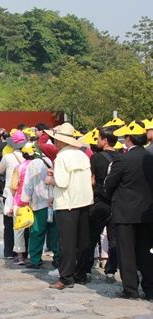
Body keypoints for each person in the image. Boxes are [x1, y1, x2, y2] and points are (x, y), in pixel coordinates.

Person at [105, 120, 153, 300]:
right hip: (146, 213)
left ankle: (130, 289)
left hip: (125, 212)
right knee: (145, 251)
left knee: (126, 252)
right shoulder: (150, 158)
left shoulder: (122, 159)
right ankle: (150, 288)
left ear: (129, 139)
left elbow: (109, 184)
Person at [44, 123, 93, 290]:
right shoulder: (83, 155)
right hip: (84, 201)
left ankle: (66, 277)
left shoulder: (62, 158)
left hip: (67, 204)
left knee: (67, 243)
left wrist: (50, 180)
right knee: (82, 241)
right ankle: (81, 274)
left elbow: (62, 182)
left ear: (60, 141)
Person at [77, 126, 119, 284]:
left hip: (99, 201)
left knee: (91, 237)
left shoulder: (96, 158)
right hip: (116, 202)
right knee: (113, 239)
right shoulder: (121, 157)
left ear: (105, 140)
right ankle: (110, 271)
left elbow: (92, 180)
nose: (97, 141)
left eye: (98, 138)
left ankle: (86, 270)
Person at [18, 143, 60, 270]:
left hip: (39, 202)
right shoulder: (52, 160)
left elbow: (28, 183)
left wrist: (25, 200)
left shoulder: (33, 164)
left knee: (37, 232)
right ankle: (58, 258)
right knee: (54, 232)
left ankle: (35, 259)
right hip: (54, 202)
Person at [0, 130, 27, 263]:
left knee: (9, 224)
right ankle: (23, 252)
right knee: (23, 223)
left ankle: (9, 251)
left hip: (10, 194)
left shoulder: (8, 157)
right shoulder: (28, 157)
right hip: (24, 195)